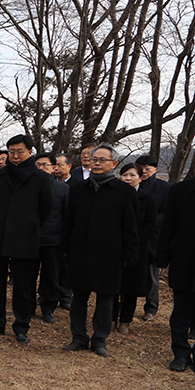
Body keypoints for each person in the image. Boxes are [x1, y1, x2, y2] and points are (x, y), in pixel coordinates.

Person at [61, 144, 138, 357]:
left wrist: (130, 252)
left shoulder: (124, 192)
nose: (97, 162)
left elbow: (130, 226)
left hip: (109, 253)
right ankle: (78, 337)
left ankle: (99, 339)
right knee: (79, 298)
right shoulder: (77, 190)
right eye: (94, 159)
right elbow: (69, 222)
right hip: (80, 251)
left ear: (114, 164)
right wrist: (65, 248)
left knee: (106, 300)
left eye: (102, 160)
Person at [0, 134, 53, 344]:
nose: (15, 155)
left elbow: (45, 209)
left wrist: (30, 225)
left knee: (23, 285)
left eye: (20, 151)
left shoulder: (41, 178)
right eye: (11, 151)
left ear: (30, 152)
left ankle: (21, 326)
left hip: (25, 238)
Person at [111, 164, 156, 334]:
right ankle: (111, 319)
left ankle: (126, 320)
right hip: (115, 247)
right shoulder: (114, 196)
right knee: (113, 285)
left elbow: (150, 223)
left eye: (132, 175)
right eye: (124, 175)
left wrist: (133, 241)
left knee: (131, 287)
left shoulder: (147, 199)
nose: (128, 178)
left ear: (140, 177)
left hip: (137, 249)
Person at [157, 174, 195, 371]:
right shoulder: (179, 190)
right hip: (184, 260)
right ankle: (180, 354)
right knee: (181, 312)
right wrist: (162, 257)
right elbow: (168, 226)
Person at [34, 154, 69, 323]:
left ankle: (48, 309)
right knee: (27, 276)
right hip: (30, 239)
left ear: (54, 168)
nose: (41, 168)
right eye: (38, 164)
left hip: (53, 240)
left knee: (51, 277)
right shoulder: (28, 187)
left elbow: (67, 215)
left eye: (45, 165)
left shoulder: (62, 189)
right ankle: (28, 306)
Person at [135, 155, 170, 321]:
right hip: (132, 235)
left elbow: (167, 213)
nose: (144, 172)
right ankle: (124, 304)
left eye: (148, 168)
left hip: (153, 236)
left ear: (155, 169)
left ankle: (151, 307)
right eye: (141, 168)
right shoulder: (131, 184)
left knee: (151, 276)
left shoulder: (164, 188)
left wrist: (151, 221)